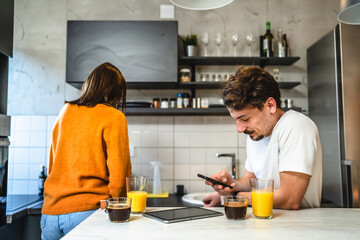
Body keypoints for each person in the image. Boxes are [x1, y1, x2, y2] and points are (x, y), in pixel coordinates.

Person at [203, 66, 322, 209]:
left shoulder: (296, 126)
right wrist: (231, 186)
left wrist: (233, 197)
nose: (239, 129)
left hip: (298, 227)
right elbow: (251, 180)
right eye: (236, 120)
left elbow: (290, 199)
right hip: (266, 225)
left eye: (245, 119)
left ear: (270, 105)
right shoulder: (256, 134)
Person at [41, 62, 132, 239]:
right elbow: (119, 177)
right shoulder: (115, 117)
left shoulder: (66, 110)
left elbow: (53, 163)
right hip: (87, 213)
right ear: (115, 92)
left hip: (50, 214)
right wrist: (120, 205)